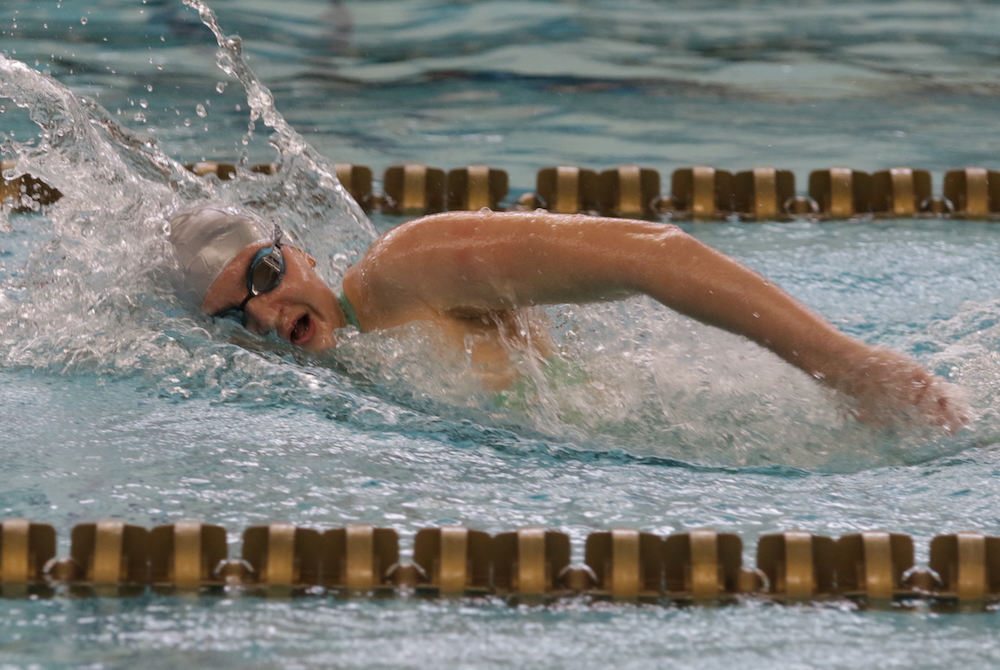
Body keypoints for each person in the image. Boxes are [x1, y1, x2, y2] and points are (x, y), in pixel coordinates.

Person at [168, 203, 970, 432]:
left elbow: (654, 252)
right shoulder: (342, 374)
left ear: (296, 247)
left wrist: (841, 362)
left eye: (265, 274)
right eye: (238, 319)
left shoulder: (403, 273)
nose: (269, 316)